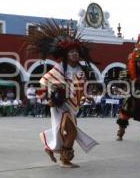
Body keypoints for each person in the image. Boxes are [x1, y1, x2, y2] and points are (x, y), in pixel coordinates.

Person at [25, 19, 98, 168]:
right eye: (71, 52)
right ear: (66, 54)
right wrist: (56, 88)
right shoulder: (60, 68)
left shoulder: (81, 69)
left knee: (63, 131)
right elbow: (44, 81)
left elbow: (80, 87)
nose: (75, 54)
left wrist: (86, 95)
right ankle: (65, 160)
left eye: (76, 52)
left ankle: (49, 146)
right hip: (61, 105)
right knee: (71, 132)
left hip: (73, 106)